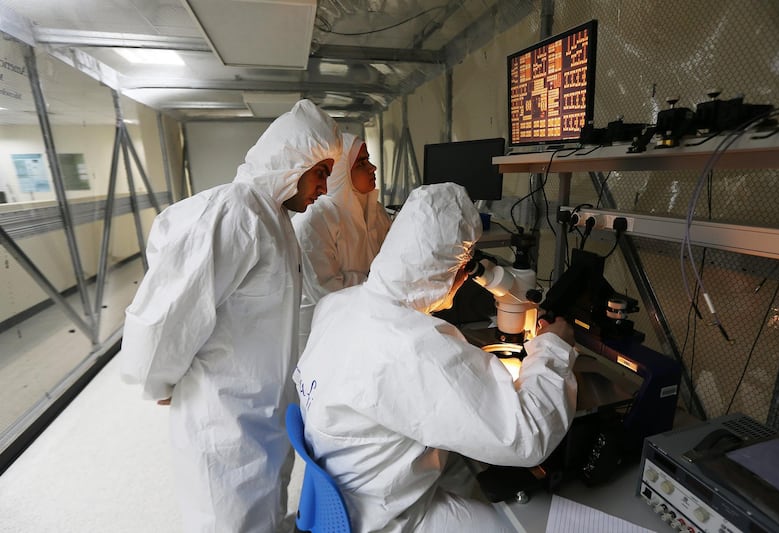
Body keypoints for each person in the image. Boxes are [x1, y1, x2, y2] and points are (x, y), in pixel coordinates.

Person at [293, 182, 578, 532]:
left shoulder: (338, 304)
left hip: (347, 483)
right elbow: (526, 435)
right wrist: (553, 347)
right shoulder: (411, 345)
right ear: (449, 269)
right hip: (385, 517)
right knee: (514, 526)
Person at [119, 99, 342, 533]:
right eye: (320, 172)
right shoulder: (236, 212)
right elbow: (168, 314)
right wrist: (156, 380)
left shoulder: (273, 216)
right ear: (291, 164)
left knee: (262, 510)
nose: (324, 186)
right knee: (228, 518)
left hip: (258, 409)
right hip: (221, 416)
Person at [291, 132, 392, 351]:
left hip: (370, 323)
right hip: (324, 333)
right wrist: (381, 285)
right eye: (362, 163)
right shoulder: (315, 219)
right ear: (341, 171)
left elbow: (394, 265)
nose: (373, 168)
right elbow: (327, 292)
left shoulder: (377, 212)